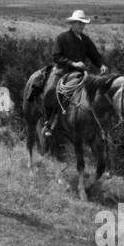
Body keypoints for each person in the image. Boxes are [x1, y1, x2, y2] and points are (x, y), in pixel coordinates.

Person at [36, 9, 108, 149]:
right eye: (79, 23)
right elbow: (56, 56)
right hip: (62, 71)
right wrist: (73, 63)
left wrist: (101, 65)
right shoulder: (62, 38)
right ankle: (49, 122)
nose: (82, 26)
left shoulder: (85, 40)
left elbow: (94, 55)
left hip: (81, 73)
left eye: (83, 24)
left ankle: (92, 126)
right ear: (73, 23)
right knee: (51, 91)